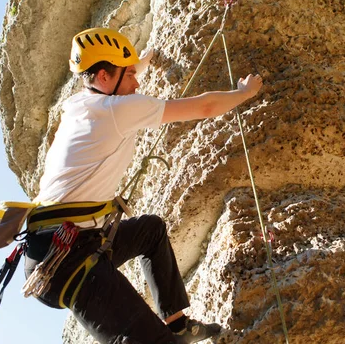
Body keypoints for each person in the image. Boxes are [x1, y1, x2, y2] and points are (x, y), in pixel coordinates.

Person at [24, 27, 263, 344]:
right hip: (67, 263)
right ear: (105, 78)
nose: (137, 82)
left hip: (63, 245)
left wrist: (144, 59)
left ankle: (177, 325)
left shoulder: (81, 105)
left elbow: (119, 78)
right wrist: (244, 93)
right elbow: (203, 107)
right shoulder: (115, 110)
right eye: (130, 75)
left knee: (151, 230)